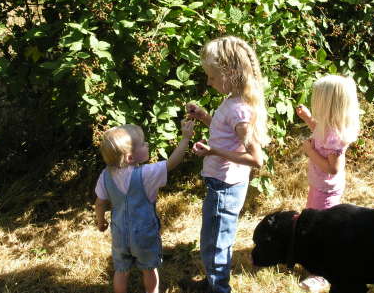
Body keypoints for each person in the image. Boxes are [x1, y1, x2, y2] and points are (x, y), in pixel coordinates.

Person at [186, 35, 270, 293]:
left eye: (211, 76)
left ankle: (219, 288)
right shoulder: (234, 101)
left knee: (216, 241)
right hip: (222, 182)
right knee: (212, 238)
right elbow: (226, 132)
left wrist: (214, 152)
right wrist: (204, 117)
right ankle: (213, 283)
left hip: (226, 186)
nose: (208, 81)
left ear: (232, 73)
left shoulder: (238, 111)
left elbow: (257, 159)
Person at [94, 121, 194, 293]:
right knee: (149, 268)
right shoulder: (146, 174)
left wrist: (100, 220)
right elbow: (172, 163)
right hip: (144, 234)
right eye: (142, 144)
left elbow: (100, 202)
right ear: (130, 158)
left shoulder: (105, 175)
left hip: (119, 233)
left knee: (121, 270)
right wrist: (185, 138)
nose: (146, 144)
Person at [295, 74, 360, 292]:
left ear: (328, 104)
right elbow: (318, 129)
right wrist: (307, 118)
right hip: (318, 184)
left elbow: (333, 168)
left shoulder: (336, 136)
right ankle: (313, 258)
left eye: (317, 100)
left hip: (327, 188)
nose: (314, 102)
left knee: (323, 228)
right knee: (312, 219)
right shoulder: (326, 125)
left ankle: (322, 273)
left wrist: (309, 151)